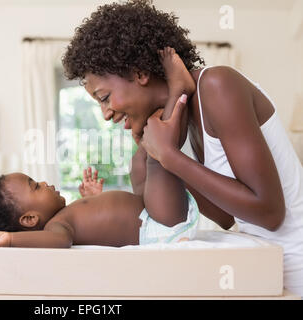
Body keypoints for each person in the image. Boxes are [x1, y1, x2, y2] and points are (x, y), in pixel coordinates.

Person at [61, 0, 303, 296]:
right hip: (264, 267)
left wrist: (172, 158)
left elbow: (270, 213)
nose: (106, 114)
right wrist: (162, 156)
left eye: (105, 97)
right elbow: (227, 218)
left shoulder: (218, 85)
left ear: (139, 73)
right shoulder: (183, 120)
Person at [0, 148, 199, 247]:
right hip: (160, 225)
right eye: (36, 187)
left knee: (138, 162)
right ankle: (171, 104)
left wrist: (94, 199)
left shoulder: (65, 215)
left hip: (150, 210)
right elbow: (60, 242)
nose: (45, 183)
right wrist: (9, 241)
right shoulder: (57, 227)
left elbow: (104, 222)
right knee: (157, 156)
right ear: (29, 219)